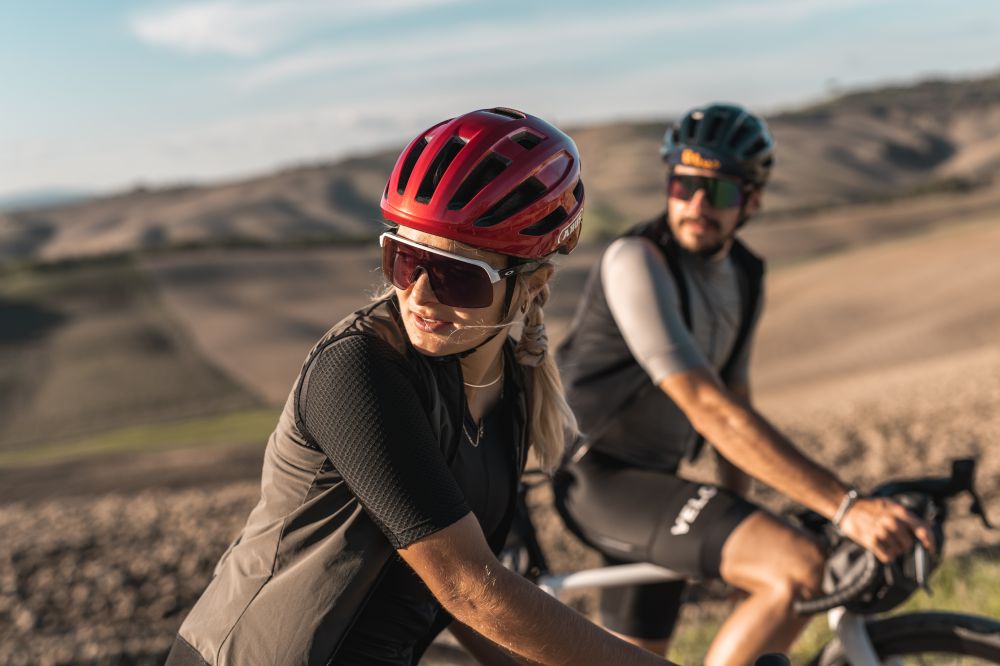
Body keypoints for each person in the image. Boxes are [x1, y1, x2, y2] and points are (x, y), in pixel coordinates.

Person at [166, 108, 675, 666]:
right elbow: (466, 587)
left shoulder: (513, 390)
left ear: (533, 285)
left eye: (459, 276)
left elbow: (472, 595)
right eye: (405, 261)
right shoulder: (360, 371)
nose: (421, 297)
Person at [553, 102, 936, 665]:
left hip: (659, 483)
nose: (698, 205)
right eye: (684, 185)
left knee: (640, 659)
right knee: (802, 568)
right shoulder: (635, 260)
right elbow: (707, 406)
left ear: (752, 201)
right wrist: (845, 506)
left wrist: (736, 511)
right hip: (598, 478)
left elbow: (737, 401)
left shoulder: (746, 275)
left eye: (721, 192)